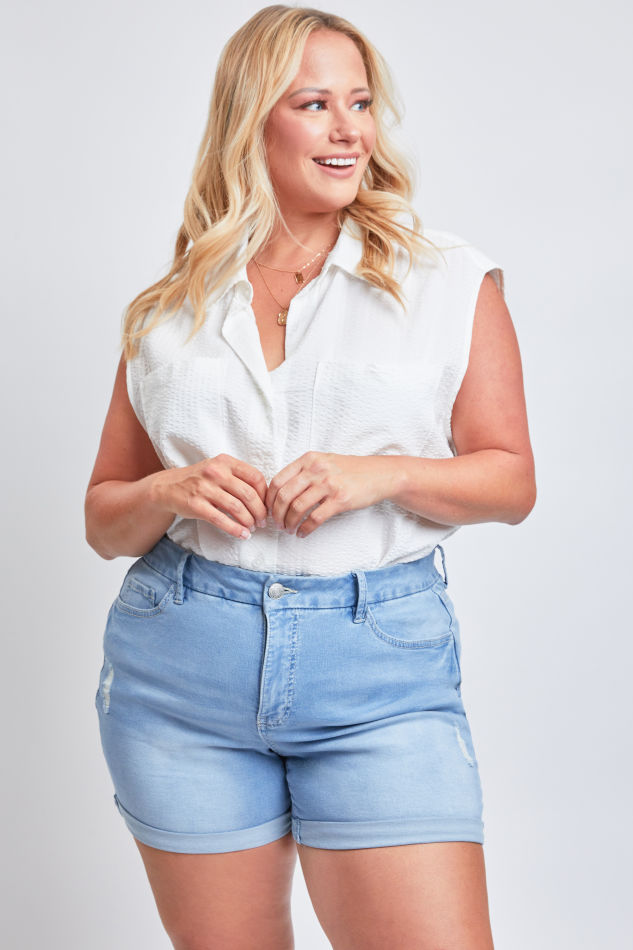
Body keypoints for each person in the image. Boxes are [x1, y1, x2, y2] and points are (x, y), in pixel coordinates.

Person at [85, 5, 536, 948]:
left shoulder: (447, 280)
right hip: (181, 674)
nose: (348, 130)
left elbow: (509, 483)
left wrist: (382, 474)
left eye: (360, 103)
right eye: (314, 103)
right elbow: (103, 519)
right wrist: (168, 492)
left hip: (378, 672)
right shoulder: (170, 304)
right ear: (251, 120)